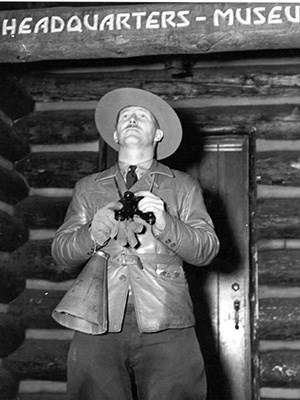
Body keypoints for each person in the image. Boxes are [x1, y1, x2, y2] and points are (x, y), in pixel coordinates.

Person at [51, 87, 219, 400]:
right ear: (115, 133)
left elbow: (207, 249)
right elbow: (61, 253)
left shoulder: (183, 186)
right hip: (96, 314)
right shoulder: (88, 188)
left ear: (158, 134)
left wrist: (168, 223)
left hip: (166, 314)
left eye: (142, 116)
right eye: (125, 116)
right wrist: (94, 230)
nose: (132, 119)